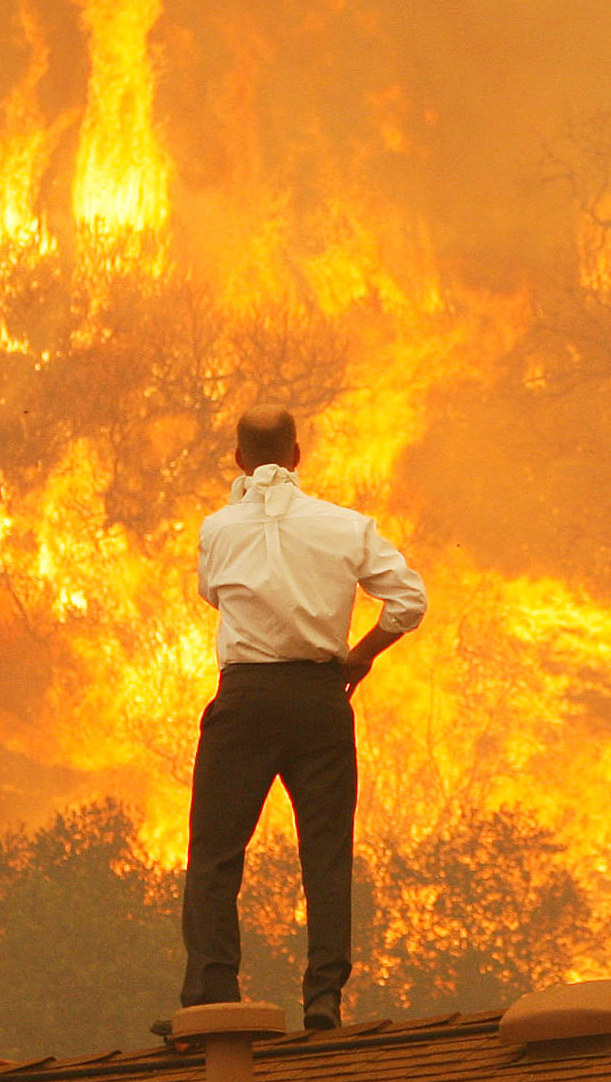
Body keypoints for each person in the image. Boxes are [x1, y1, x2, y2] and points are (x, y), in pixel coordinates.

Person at [177, 405, 426, 1032]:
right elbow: (408, 602)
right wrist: (360, 657)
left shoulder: (217, 529)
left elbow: (212, 593)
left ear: (238, 459)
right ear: (297, 455)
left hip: (246, 697)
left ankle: (212, 997)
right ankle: (323, 999)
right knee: (325, 855)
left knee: (215, 854)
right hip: (319, 698)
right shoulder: (348, 526)